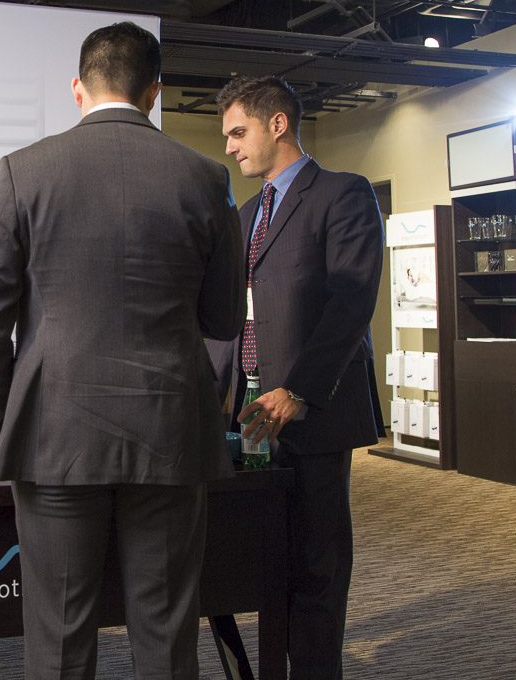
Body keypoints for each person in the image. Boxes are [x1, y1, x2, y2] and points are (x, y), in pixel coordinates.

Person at [0, 21, 245, 679]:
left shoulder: (22, 173)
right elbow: (224, 318)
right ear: (154, 92)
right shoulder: (206, 178)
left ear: (77, 89)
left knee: (60, 640)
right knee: (168, 636)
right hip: (171, 433)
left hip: (53, 439)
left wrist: (5, 434)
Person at [207, 75, 384, 680]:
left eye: (238, 132)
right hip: (248, 414)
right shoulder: (245, 214)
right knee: (259, 561)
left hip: (311, 412)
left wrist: (302, 389)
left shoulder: (343, 194)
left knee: (316, 569)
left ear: (277, 124)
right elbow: (227, 317)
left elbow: (351, 302)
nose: (230, 147)